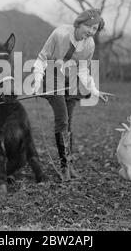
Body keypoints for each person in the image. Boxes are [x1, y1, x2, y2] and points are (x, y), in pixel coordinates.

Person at [32, 9, 109, 181]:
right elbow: (42, 58)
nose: (90, 31)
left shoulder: (89, 45)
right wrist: (37, 82)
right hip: (52, 79)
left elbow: (83, 69)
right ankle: (64, 167)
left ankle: (68, 164)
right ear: (79, 23)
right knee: (63, 120)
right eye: (88, 26)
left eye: (95, 29)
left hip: (71, 81)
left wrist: (95, 90)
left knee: (69, 124)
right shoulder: (60, 34)